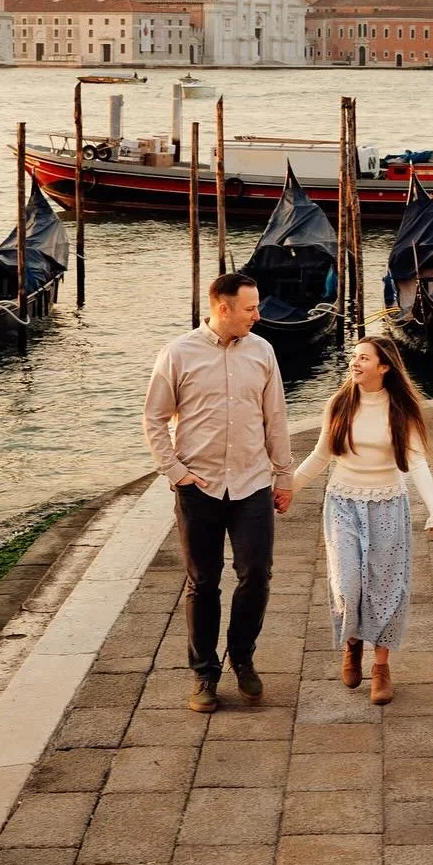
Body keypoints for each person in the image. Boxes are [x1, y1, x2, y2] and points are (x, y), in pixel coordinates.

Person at [142, 272, 293, 714]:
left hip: (251, 484)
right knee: (203, 582)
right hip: (199, 487)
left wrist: (283, 476)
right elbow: (154, 418)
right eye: (250, 308)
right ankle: (205, 673)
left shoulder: (263, 351)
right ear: (223, 308)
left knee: (257, 574)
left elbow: (276, 418)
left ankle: (242, 658)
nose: (257, 315)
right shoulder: (178, 353)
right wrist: (174, 471)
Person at [293, 335, 433, 705]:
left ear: (384, 367)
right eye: (354, 356)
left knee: (385, 587)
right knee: (346, 583)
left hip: (387, 506)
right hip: (342, 503)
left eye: (364, 358)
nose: (355, 362)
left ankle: (381, 666)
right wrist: (288, 489)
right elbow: (320, 455)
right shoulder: (340, 403)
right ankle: (352, 645)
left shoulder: (401, 410)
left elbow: (416, 463)